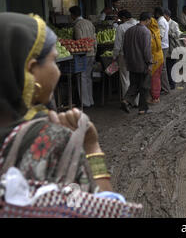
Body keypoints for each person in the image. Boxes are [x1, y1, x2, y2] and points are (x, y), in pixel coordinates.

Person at [0, 12, 112, 193]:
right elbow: (105, 207)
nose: (57, 71)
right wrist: (92, 146)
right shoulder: (50, 138)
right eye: (54, 61)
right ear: (31, 70)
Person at [121, 12, 153, 115]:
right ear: (147, 20)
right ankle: (143, 109)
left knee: (134, 84)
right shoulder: (146, 32)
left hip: (131, 63)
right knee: (144, 86)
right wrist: (149, 63)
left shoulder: (129, 31)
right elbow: (146, 50)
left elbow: (124, 48)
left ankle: (126, 100)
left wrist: (127, 60)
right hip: (142, 64)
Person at [70, 6, 97, 108]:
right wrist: (94, 51)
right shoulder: (90, 23)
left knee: (82, 77)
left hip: (83, 55)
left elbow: (79, 41)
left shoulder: (77, 25)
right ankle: (91, 100)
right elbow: (95, 39)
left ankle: (85, 102)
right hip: (92, 53)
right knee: (89, 77)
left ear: (73, 15)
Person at [113, 10, 138, 102]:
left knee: (125, 78)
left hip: (124, 56)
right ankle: (136, 101)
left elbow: (117, 45)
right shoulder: (138, 25)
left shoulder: (121, 27)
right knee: (135, 78)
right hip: (137, 55)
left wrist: (114, 56)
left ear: (123, 18)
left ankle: (127, 101)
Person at [146, 16, 164, 104]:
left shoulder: (150, 32)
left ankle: (155, 98)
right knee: (157, 77)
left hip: (155, 58)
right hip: (160, 57)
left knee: (154, 78)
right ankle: (156, 96)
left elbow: (151, 47)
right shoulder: (156, 31)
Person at [155, 7, 171, 95]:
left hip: (162, 46)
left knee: (162, 68)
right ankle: (164, 88)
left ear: (157, 13)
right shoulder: (164, 20)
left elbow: (160, 36)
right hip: (164, 45)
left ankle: (165, 88)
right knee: (162, 68)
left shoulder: (161, 21)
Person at [166, 10, 183, 90]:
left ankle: (172, 84)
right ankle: (170, 83)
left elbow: (178, 34)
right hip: (167, 48)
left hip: (173, 48)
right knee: (168, 66)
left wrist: (170, 33)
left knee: (171, 66)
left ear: (167, 16)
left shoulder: (174, 24)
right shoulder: (163, 23)